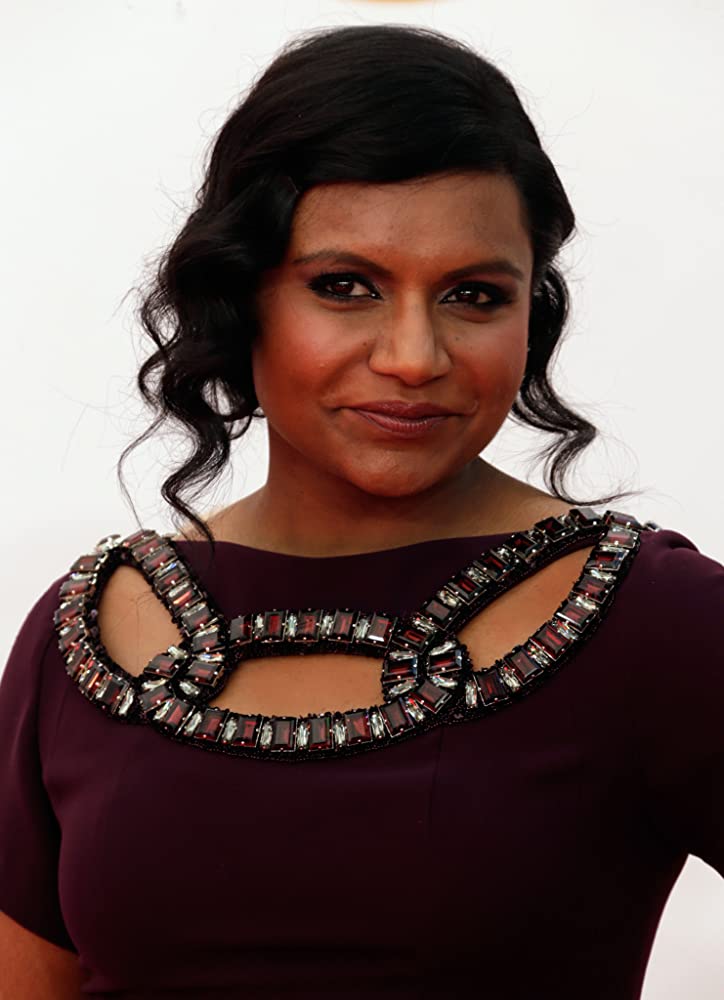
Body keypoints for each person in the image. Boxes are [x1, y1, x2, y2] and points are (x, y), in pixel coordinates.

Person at [1, 22, 722, 1000]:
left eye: (474, 295)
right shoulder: (85, 629)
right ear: (240, 297)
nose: (414, 356)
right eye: (345, 287)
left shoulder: (658, 620)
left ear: (531, 314)